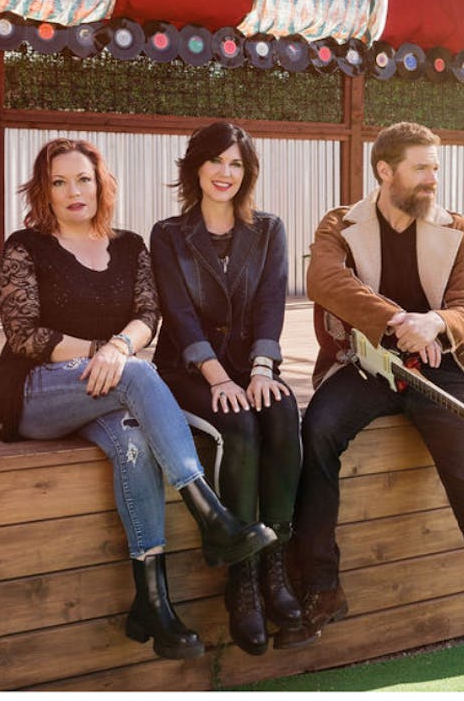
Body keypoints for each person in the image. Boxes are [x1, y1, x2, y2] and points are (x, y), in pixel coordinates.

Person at [0, 138, 275, 661]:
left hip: (105, 395)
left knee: (134, 439)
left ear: (102, 185)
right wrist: (109, 355)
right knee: (138, 377)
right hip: (37, 393)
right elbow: (23, 333)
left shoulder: (129, 245)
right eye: (60, 182)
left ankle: (152, 603)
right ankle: (208, 512)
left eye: (84, 179)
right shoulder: (24, 246)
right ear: (44, 192)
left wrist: (118, 349)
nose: (74, 191)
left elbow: (148, 316)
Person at [290, 122, 464, 688]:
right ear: (385, 170)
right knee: (318, 434)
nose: (433, 178)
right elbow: (325, 281)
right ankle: (324, 587)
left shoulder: (455, 229)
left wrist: (436, 322)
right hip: (365, 366)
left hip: (441, 368)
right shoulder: (339, 224)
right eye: (421, 167)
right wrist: (398, 322)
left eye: (435, 167)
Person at [150, 122, 304, 655]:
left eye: (236, 164)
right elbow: (179, 313)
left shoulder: (269, 229)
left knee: (282, 411)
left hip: (250, 365)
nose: (225, 172)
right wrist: (217, 378)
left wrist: (262, 369)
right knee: (237, 424)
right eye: (216, 161)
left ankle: (274, 561)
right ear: (196, 167)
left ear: (247, 172)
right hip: (188, 371)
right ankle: (241, 579)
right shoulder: (169, 234)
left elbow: (271, 305)